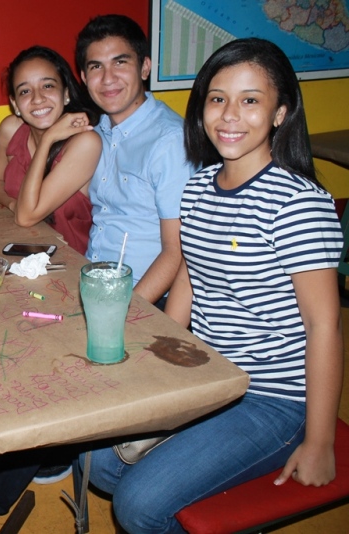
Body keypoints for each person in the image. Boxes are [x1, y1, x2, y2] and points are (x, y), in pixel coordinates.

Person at [86, 38, 343, 533]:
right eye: (217, 98)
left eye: (250, 100)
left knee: (138, 506)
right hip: (210, 372)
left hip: (273, 396)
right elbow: (189, 275)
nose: (229, 115)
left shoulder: (297, 205)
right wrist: (155, 355)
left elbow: (324, 326)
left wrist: (320, 441)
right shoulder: (199, 186)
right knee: (98, 463)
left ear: (280, 113)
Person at [76, 14, 194, 308]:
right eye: (96, 67)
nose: (108, 78)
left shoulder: (170, 141)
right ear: (83, 78)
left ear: (144, 67)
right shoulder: (96, 133)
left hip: (147, 298)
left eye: (120, 62)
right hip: (94, 284)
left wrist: (123, 310)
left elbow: (177, 252)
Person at [0, 45, 101, 255]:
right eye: (25, 91)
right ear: (15, 103)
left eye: (47, 86)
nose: (37, 98)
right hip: (22, 250)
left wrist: (48, 138)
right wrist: (12, 204)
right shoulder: (11, 129)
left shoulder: (86, 143)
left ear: (66, 93)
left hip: (70, 262)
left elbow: (26, 217)